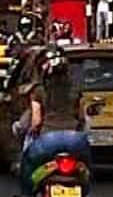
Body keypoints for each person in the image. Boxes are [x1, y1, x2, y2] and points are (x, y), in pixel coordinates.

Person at [16, 45, 91, 178]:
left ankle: (26, 194)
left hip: (48, 139)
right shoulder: (76, 90)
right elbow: (82, 118)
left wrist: (29, 132)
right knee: (85, 168)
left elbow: (36, 121)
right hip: (75, 140)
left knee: (27, 163)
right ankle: (87, 195)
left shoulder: (39, 90)